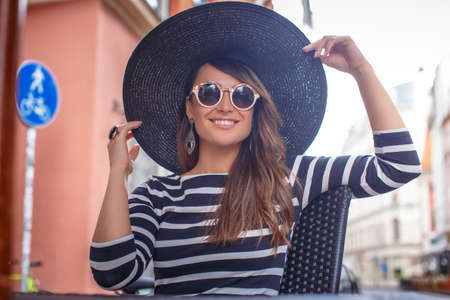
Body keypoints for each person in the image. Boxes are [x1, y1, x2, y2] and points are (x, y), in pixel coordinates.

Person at [89, 2, 422, 296]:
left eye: (242, 95)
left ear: (254, 110)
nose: (225, 106)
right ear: (190, 107)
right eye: (208, 92)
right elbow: (112, 274)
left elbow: (399, 167)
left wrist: (362, 72)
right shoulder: (156, 194)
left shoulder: (290, 176)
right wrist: (117, 175)